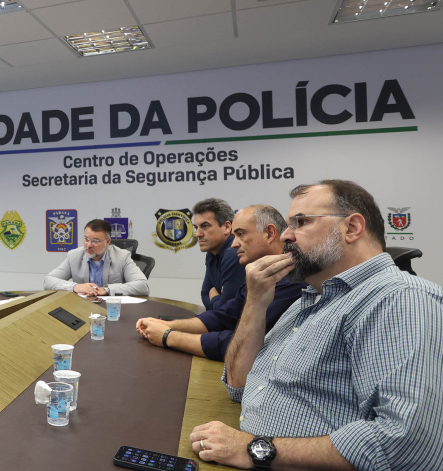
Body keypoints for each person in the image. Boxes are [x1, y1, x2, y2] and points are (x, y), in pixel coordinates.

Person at [190, 180, 443, 470]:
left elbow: (406, 446)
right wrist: (256, 302)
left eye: (300, 222)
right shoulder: (311, 298)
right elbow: (239, 386)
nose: (285, 235)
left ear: (352, 228)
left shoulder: (400, 298)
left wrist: (255, 449)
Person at [136, 205, 303, 360]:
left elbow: (241, 344)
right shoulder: (262, 275)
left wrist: (168, 336)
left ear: (270, 233)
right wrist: (167, 325)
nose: (234, 244)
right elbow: (223, 317)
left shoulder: (293, 281)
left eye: (241, 234)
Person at [44, 219, 149, 297]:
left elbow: (143, 286)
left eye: (95, 241)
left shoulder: (122, 257)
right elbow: (48, 281)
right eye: (86, 239)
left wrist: (107, 289)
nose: (89, 245)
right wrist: (76, 286)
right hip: (82, 308)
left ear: (108, 242)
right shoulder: (74, 256)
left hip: (112, 310)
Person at [193, 198, 244, 311]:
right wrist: (217, 299)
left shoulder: (234, 253)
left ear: (227, 227)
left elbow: (226, 310)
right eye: (196, 228)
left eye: (205, 226)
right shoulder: (211, 252)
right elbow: (205, 293)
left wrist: (214, 296)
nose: (198, 234)